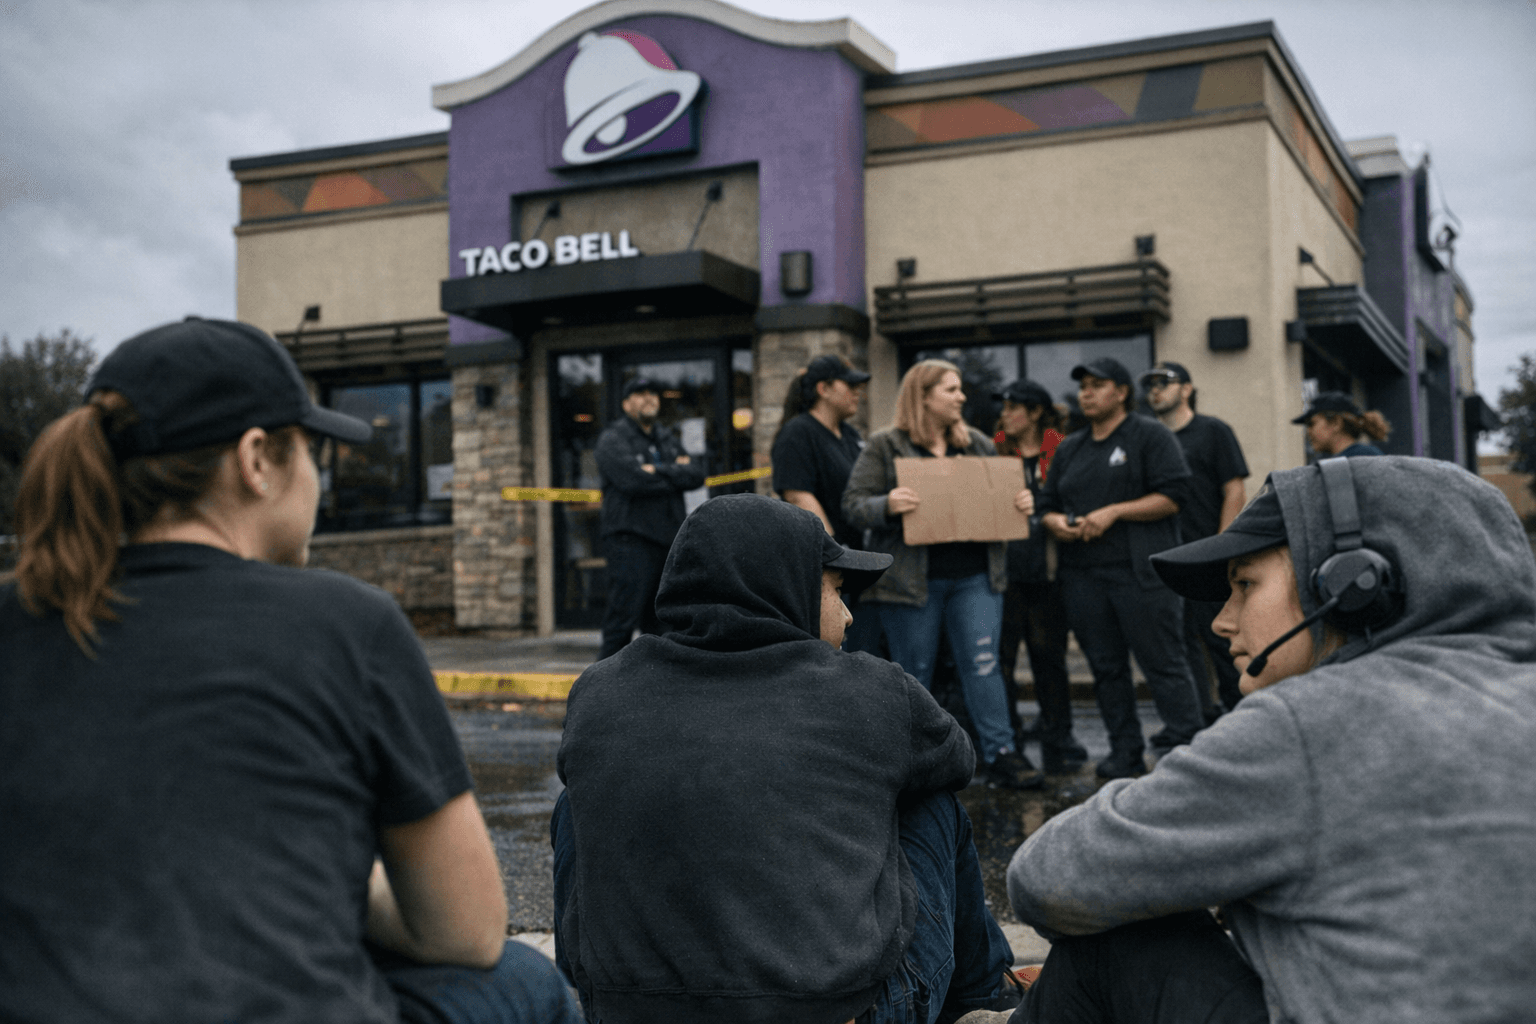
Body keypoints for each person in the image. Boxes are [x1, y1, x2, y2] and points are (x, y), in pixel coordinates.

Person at [0, 317, 580, 1024]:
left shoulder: (18, 615)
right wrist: (346, 881)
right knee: (524, 976)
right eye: (311, 450)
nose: (319, 476)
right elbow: (465, 928)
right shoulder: (347, 623)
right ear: (256, 460)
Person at [996, 456, 1536, 1024]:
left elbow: (1045, 882)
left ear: (1352, 584)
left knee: (1113, 937)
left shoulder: (1310, 723)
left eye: (1245, 585)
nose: (1221, 622)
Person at [552, 494, 1027, 1024]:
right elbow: (957, 759)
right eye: (837, 591)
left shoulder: (598, 690)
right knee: (931, 801)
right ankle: (984, 1001)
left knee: (578, 803)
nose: (848, 615)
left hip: (631, 1012)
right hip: (840, 1012)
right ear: (783, 588)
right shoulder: (874, 690)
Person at [844, 359, 1043, 789]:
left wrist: (1021, 503)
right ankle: (916, 759)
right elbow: (854, 503)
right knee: (914, 670)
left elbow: (1002, 498)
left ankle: (1002, 752)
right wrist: (887, 505)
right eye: (951, 390)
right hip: (913, 585)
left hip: (975, 577)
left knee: (984, 664)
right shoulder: (885, 445)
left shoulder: (978, 444)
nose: (961, 397)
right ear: (924, 395)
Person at [1036, 357, 1204, 779]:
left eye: (1097, 385)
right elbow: (1047, 506)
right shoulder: (1070, 446)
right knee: (1106, 670)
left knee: (1163, 663)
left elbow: (1174, 495)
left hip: (1140, 575)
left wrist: (1115, 512)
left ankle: (1190, 751)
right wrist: (1055, 522)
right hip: (1083, 577)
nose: (1086, 393)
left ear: (1122, 392)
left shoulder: (1150, 435)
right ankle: (1123, 752)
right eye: (1084, 386)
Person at [1142, 361, 1250, 714]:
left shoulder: (1213, 431)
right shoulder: (1149, 439)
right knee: (1180, 646)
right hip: (1166, 564)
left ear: (1187, 389)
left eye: (1164, 382)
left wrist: (1222, 548)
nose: (1155, 390)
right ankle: (1200, 719)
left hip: (1207, 558)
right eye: (1150, 384)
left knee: (1223, 641)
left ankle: (1242, 718)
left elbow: (1234, 490)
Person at [991, 379, 1087, 774]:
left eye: (1014, 407)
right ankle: (1008, 733)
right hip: (1004, 574)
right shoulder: (995, 448)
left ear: (1034, 412)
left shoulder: (1060, 449)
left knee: (1050, 658)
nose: (1005, 415)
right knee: (1003, 660)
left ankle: (1058, 732)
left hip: (1049, 571)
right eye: (1004, 407)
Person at [771, 353, 881, 652]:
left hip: (858, 565)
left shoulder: (849, 435)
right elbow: (798, 495)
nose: (858, 392)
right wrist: (835, 554)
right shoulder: (798, 433)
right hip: (833, 566)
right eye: (850, 385)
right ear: (824, 389)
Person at [593, 377, 706, 660]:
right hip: (629, 541)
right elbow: (631, 481)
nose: (649, 398)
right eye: (640, 393)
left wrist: (655, 470)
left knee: (662, 622)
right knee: (622, 619)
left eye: (653, 393)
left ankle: (654, 690)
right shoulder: (613, 439)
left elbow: (695, 474)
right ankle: (601, 691)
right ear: (626, 403)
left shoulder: (665, 437)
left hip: (666, 543)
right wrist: (672, 473)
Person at [1293, 391, 1390, 457]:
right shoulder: (1365, 455)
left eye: (1311, 424)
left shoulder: (1362, 457)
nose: (1308, 431)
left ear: (1336, 423)